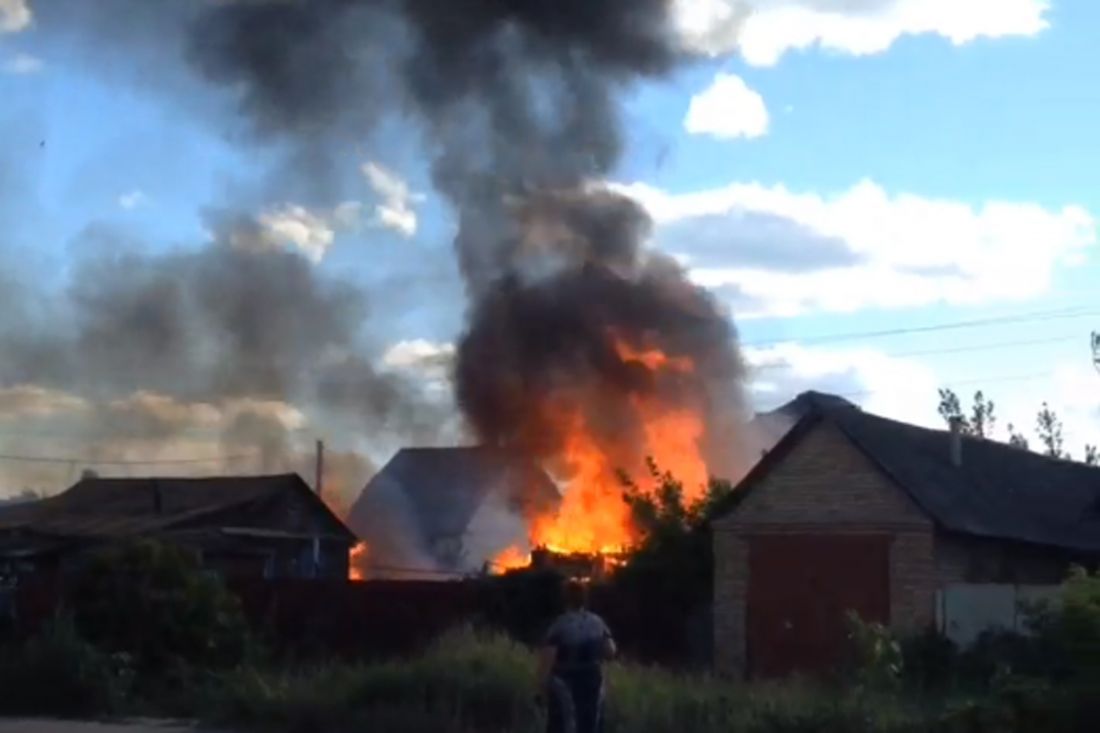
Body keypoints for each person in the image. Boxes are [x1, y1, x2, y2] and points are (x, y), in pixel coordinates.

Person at [536, 578, 617, 733]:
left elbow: (547, 660)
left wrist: (540, 689)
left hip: (565, 685)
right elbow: (611, 651)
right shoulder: (597, 622)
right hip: (593, 682)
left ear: (564, 599)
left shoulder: (559, 625)